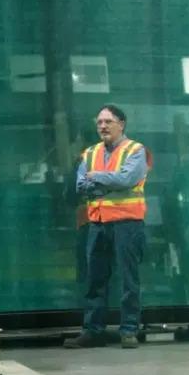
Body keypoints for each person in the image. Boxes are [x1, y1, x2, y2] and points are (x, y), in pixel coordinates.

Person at [65, 104, 150, 349]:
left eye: (108, 121)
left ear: (121, 124)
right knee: (95, 279)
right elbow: (80, 185)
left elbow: (127, 179)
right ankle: (93, 331)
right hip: (98, 223)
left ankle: (129, 331)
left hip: (127, 222)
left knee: (128, 279)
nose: (102, 126)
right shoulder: (90, 153)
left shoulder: (136, 150)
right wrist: (103, 181)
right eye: (99, 122)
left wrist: (96, 177)